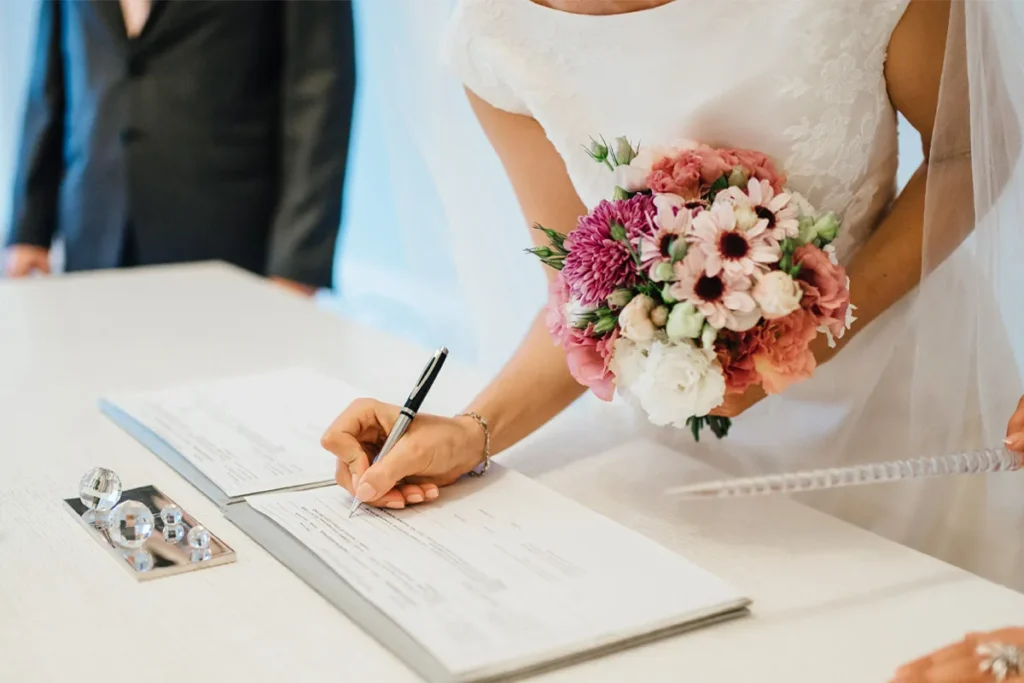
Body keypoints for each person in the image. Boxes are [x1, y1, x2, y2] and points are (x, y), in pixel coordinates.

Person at [320, 0, 1024, 591]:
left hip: (901, 407)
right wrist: (471, 431)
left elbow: (966, 151)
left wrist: (814, 330)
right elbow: (582, 302)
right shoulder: (497, 36)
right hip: (678, 446)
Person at [3, 0, 356, 294]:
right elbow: (48, 81)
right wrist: (29, 227)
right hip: (91, 229)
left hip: (229, 244)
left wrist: (299, 263)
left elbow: (319, 83)